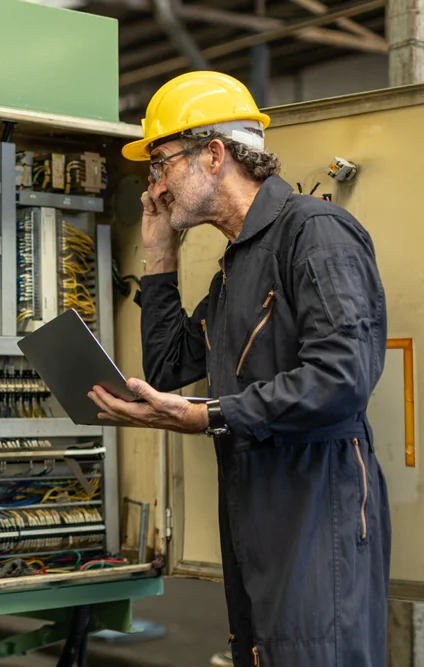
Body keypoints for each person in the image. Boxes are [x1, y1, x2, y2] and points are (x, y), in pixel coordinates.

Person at [88, 71, 391, 667]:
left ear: (214, 155)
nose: (154, 187)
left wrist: (212, 416)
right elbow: (171, 364)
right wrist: (158, 255)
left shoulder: (314, 232)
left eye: (162, 164)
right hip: (258, 509)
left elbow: (342, 377)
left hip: (316, 508)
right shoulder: (236, 266)